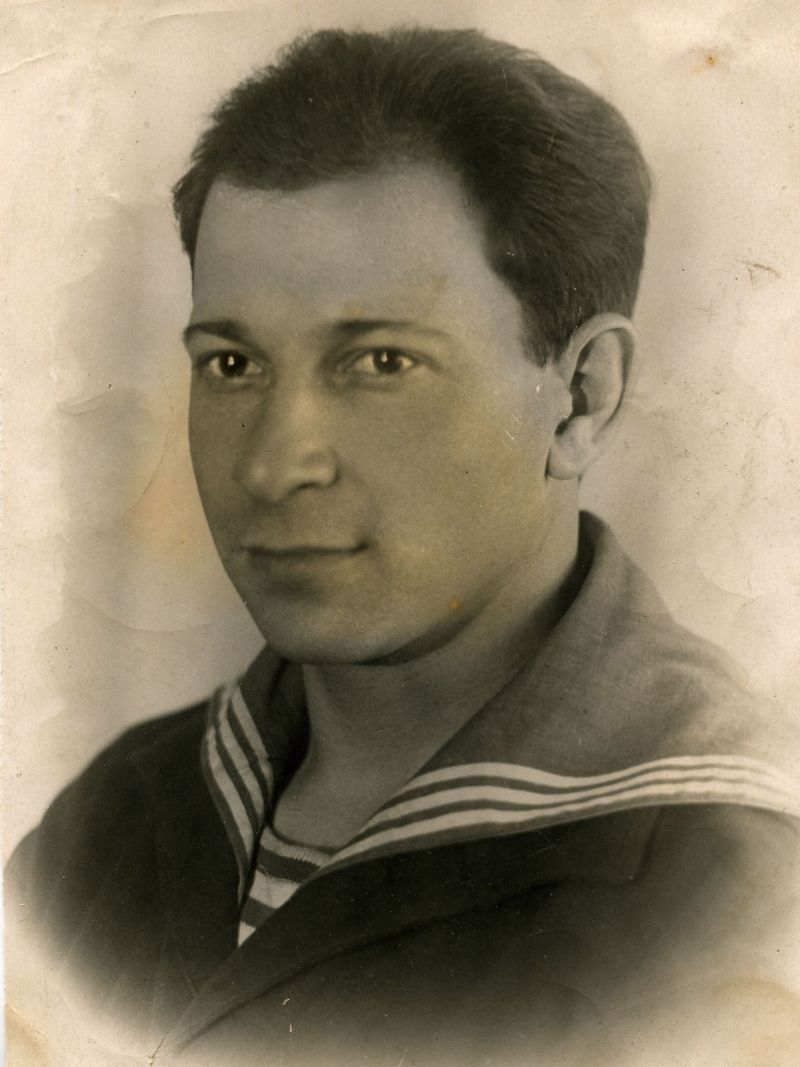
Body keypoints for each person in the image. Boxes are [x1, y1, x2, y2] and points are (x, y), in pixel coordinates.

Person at [6, 25, 799, 1067]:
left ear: (581, 398)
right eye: (234, 362)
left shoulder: (732, 894)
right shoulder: (113, 818)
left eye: (380, 362)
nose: (275, 464)